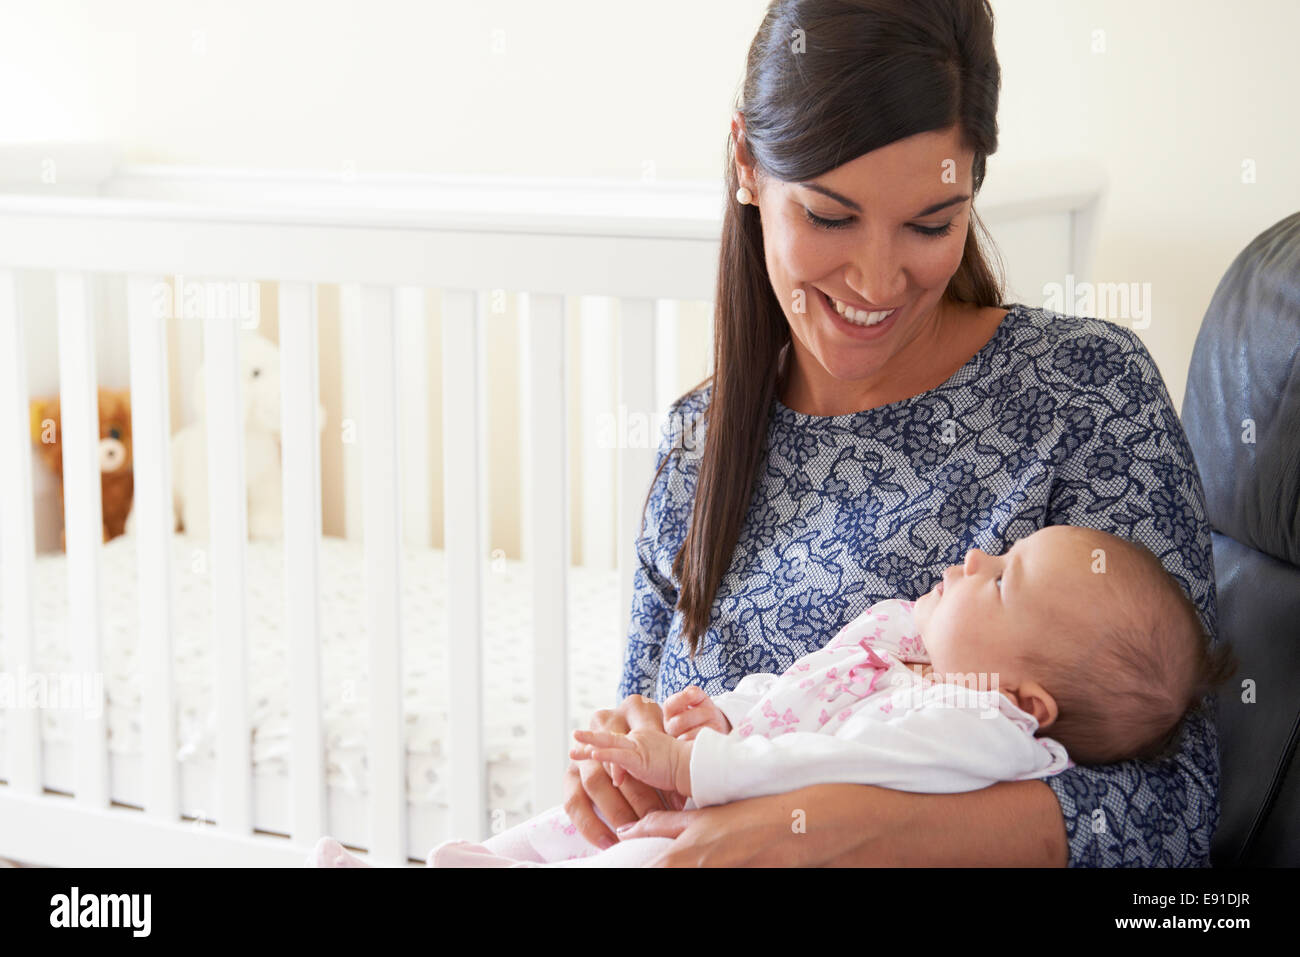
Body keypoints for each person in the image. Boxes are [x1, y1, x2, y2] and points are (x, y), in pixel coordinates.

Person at [563, 0, 1226, 868]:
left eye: (930, 223)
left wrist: (830, 833)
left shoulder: (1085, 393)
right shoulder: (700, 443)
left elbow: (1173, 812)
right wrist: (619, 775)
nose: (877, 279)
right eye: (831, 217)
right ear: (747, 165)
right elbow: (641, 750)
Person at [307, 525, 1235, 867]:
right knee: (575, 830)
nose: (978, 555)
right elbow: (793, 698)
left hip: (737, 819)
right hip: (707, 789)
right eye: (831, 217)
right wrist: (703, 718)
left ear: (1028, 699)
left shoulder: (979, 726)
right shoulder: (904, 648)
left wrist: (704, 762)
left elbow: (833, 760)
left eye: (1002, 582)